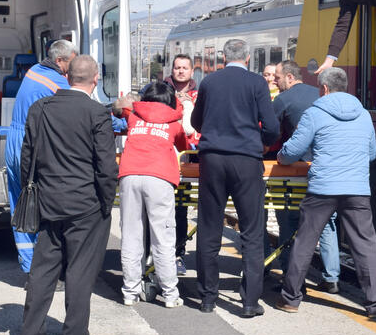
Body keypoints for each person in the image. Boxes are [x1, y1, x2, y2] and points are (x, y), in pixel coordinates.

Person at [17, 55, 118, 335]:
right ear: (95, 79)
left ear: (67, 75)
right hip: (85, 204)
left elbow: (27, 156)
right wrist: (106, 201)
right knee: (80, 270)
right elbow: (106, 167)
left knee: (43, 268)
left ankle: (31, 334)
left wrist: (31, 190)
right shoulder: (97, 113)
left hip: (48, 201)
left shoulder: (41, 108)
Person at [274, 67, 376, 318]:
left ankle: (291, 299)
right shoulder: (364, 114)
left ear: (323, 89)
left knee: (305, 241)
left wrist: (281, 156)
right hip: (357, 189)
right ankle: (375, 304)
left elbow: (293, 151)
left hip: (323, 188)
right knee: (365, 245)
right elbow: (371, 153)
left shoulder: (316, 112)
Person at [191, 39, 280, 317]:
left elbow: (196, 121)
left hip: (212, 160)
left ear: (223, 56)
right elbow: (273, 126)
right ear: (249, 57)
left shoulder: (209, 82)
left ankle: (207, 298)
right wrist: (262, 142)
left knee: (209, 227)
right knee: (252, 232)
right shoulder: (257, 83)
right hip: (246, 161)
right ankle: (250, 302)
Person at [4, 39, 78, 276]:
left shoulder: (34, 71)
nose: (74, 68)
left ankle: (29, 269)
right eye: (72, 62)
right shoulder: (55, 81)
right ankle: (45, 272)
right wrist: (119, 120)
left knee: (21, 207)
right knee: (41, 207)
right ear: (59, 61)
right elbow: (83, 108)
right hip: (29, 147)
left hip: (14, 142)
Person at [271, 60, 341, 292]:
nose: (275, 81)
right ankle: (331, 277)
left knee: (288, 219)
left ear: (290, 77)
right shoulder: (320, 94)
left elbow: (271, 134)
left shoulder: (282, 100)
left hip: (296, 169)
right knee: (327, 222)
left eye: (278, 78)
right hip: (323, 169)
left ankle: (290, 272)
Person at [118, 84, 188, 308]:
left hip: (129, 174)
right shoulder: (174, 125)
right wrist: (177, 103)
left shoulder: (133, 119)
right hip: (159, 178)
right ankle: (169, 294)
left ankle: (130, 291)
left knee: (131, 235)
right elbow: (183, 146)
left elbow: (121, 108)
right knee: (163, 238)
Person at [160, 54, 200, 276]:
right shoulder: (160, 90)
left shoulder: (199, 94)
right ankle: (156, 254)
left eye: (185, 67)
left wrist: (190, 103)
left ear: (192, 71)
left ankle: (178, 254)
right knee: (159, 209)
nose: (181, 71)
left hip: (186, 158)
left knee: (180, 209)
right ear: (172, 70)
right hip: (163, 155)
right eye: (177, 67)